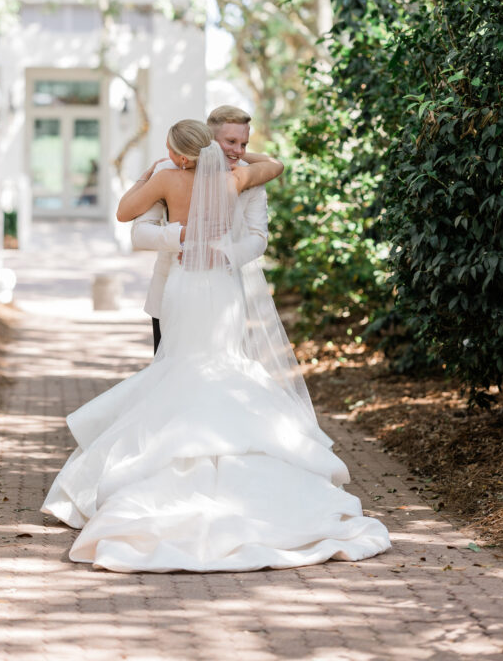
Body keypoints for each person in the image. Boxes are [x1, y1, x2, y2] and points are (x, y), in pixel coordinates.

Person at [41, 120, 390, 572]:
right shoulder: (236, 177)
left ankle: (157, 469)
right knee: (222, 366)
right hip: (220, 286)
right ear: (208, 145)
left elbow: (126, 212)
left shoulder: (167, 177)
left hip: (187, 282)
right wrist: (240, 164)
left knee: (181, 367)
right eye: (231, 143)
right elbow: (274, 166)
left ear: (178, 153)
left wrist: (149, 176)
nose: (238, 150)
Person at [131, 105, 270, 354]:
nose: (237, 151)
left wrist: (223, 255)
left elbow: (259, 238)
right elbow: (140, 231)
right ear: (208, 139)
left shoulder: (251, 180)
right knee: (169, 378)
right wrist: (182, 235)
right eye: (230, 141)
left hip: (223, 291)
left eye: (244, 144)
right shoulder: (168, 172)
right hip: (169, 292)